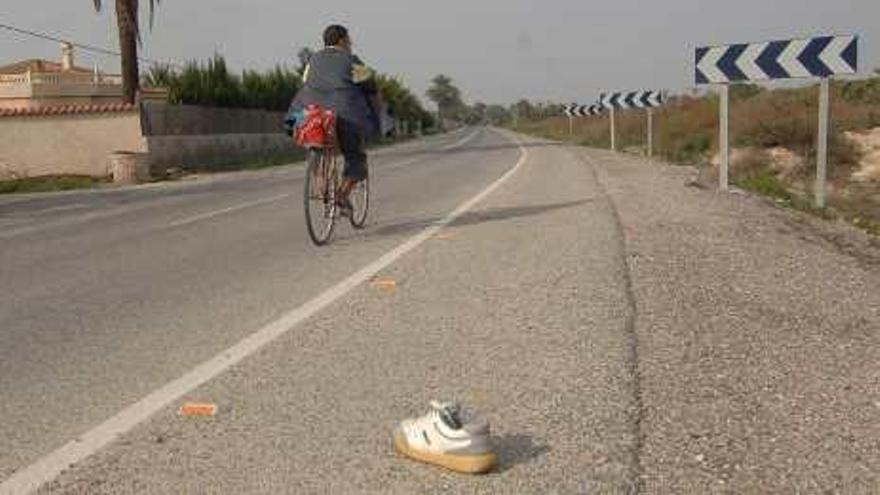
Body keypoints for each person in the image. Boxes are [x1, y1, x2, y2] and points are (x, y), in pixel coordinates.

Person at [290, 25, 380, 211]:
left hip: (309, 114)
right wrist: (376, 115)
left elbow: (306, 82)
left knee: (316, 145)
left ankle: (320, 182)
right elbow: (370, 86)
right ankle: (341, 195)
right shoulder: (352, 60)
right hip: (344, 115)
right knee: (356, 158)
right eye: (349, 40)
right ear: (341, 41)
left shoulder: (312, 60)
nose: (351, 43)